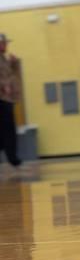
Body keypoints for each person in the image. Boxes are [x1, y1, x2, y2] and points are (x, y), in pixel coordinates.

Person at [0, 33, 22, 167]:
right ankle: (12, 158)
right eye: (4, 43)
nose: (6, 45)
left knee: (7, 129)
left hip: (7, 98)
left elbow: (13, 76)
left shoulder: (4, 59)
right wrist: (2, 86)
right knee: (7, 129)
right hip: (2, 98)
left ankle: (12, 157)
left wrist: (14, 64)